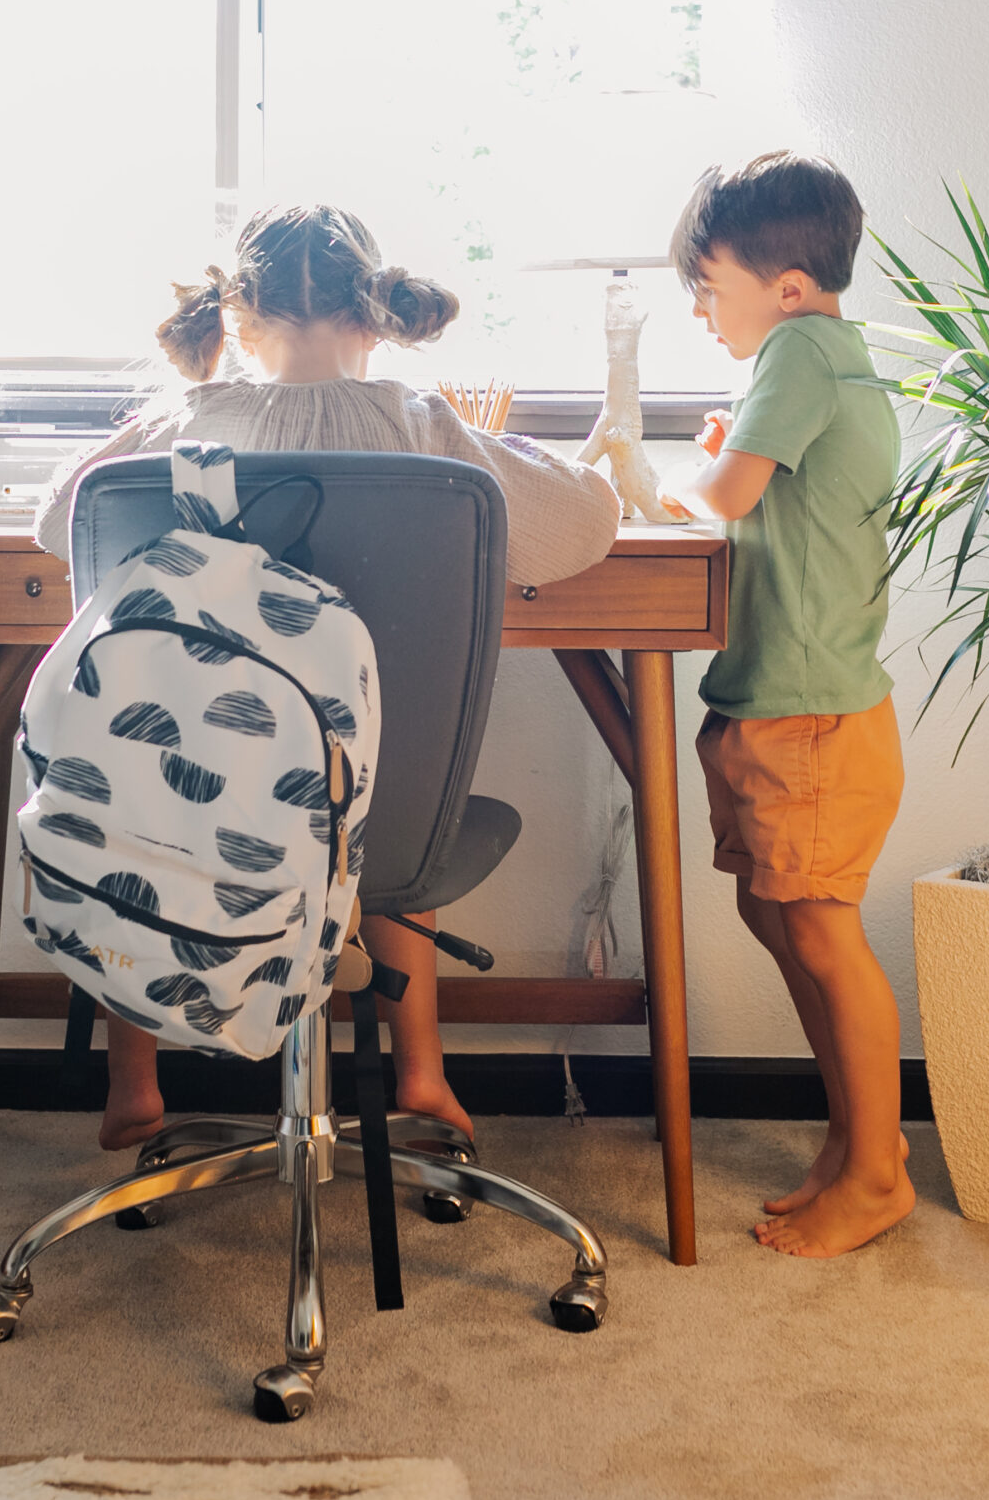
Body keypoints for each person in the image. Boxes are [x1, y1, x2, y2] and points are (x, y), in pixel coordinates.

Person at [37, 201, 621, 1155]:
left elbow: (61, 517)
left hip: (193, 808)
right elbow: (584, 529)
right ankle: (421, 1077)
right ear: (375, 315)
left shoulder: (182, 422)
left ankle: (133, 1084)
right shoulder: (419, 424)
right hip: (377, 812)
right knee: (384, 765)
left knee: (136, 772)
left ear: (234, 317)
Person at [661, 152, 911, 1259]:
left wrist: (669, 473)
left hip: (808, 713)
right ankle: (853, 1146)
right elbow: (770, 493)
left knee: (817, 930)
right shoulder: (824, 357)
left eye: (711, 287)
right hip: (788, 701)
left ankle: (879, 1171)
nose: (703, 310)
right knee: (780, 917)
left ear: (791, 286)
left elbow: (722, 500)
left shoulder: (802, 348)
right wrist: (730, 461)